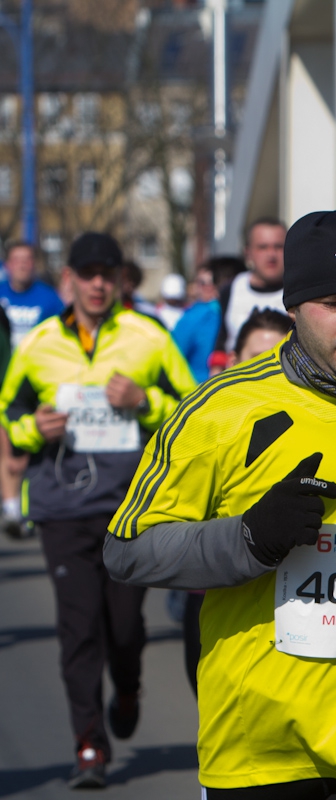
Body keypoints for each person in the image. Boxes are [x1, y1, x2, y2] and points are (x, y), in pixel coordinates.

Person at [105, 208, 336, 799]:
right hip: (258, 741)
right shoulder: (223, 409)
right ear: (294, 306)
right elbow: (126, 550)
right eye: (335, 303)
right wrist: (248, 538)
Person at [0, 232, 197, 789]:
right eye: (87, 273)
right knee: (78, 627)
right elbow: (9, 411)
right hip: (63, 505)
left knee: (126, 626)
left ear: (119, 280)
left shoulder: (148, 336)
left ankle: (129, 686)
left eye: (107, 273)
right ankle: (89, 744)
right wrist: (29, 428)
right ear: (69, 279)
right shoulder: (38, 341)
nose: (96, 283)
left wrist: (144, 402)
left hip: (129, 507)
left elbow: (189, 409)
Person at [179, 307, 295, 696]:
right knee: (208, 686)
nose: (267, 372)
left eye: (277, 359)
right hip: (216, 595)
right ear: (233, 362)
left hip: (302, 600)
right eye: (255, 360)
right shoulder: (206, 422)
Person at [0, 240, 61, 537]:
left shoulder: (48, 299)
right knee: (6, 447)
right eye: (17, 260)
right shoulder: (1, 295)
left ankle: (28, 506)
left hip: (33, 385)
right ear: (8, 264)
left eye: (27, 259)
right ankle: (13, 509)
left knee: (24, 450)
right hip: (3, 381)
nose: (22, 264)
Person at [216, 217, 288, 352]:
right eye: (263, 247)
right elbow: (219, 344)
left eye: (278, 247)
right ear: (248, 253)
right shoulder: (231, 289)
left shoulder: (300, 290)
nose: (271, 255)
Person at [171, 259, 233, 383]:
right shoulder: (191, 317)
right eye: (202, 282)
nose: (208, 287)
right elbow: (174, 355)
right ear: (195, 286)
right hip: (197, 388)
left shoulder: (228, 311)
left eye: (212, 282)